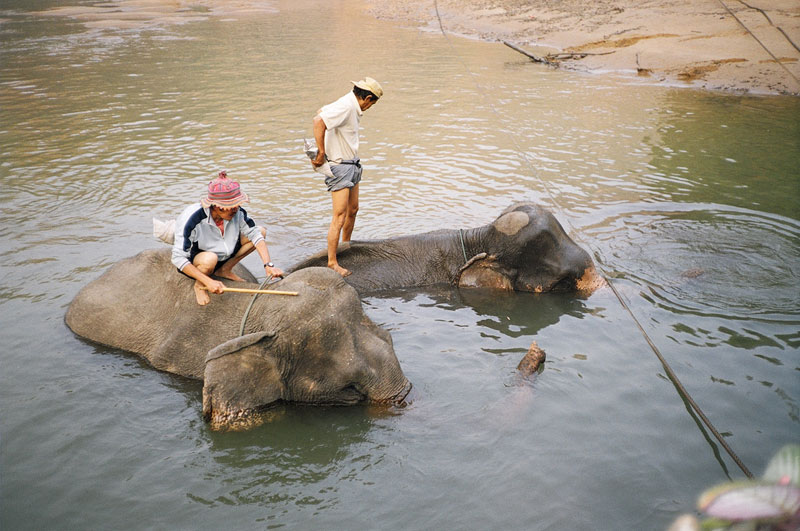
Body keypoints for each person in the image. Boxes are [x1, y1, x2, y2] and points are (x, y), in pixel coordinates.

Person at [171, 171, 284, 305]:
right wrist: (208, 281)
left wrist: (268, 265)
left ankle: (224, 269)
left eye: (237, 204)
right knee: (209, 259)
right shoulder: (193, 218)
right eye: (231, 206)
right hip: (202, 256)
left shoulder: (237, 212)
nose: (235, 209)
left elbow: (255, 234)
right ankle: (199, 285)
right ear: (216, 206)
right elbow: (178, 258)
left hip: (225, 251)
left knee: (261, 231)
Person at [311, 77, 383, 276]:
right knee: (340, 216)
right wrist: (320, 151)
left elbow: (321, 111)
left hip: (353, 164)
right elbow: (319, 121)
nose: (370, 108)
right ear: (367, 98)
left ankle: (345, 246)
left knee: (353, 209)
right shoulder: (347, 106)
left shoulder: (349, 104)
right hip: (340, 166)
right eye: (372, 104)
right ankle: (332, 262)